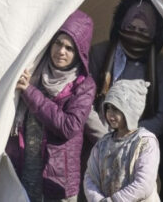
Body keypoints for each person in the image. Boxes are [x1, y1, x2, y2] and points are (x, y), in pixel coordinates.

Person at [6, 10, 96, 202]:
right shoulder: (34, 70)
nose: (61, 51)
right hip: (23, 171)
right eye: (58, 43)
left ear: (79, 53)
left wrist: (30, 93)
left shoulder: (83, 85)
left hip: (57, 183)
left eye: (69, 48)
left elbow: (69, 126)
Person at [85, 0, 163, 143]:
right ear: (121, 25)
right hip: (97, 142)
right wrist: (104, 139)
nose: (135, 34)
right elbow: (86, 103)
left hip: (136, 146)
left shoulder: (161, 65)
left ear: (154, 34)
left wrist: (128, 138)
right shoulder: (99, 53)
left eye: (143, 31)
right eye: (131, 28)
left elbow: (161, 116)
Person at [84, 79, 161, 202]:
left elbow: (143, 184)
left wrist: (114, 200)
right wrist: (98, 200)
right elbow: (90, 177)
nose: (110, 114)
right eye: (108, 108)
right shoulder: (102, 144)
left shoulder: (145, 142)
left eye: (116, 109)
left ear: (130, 110)